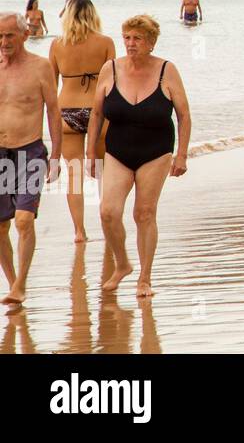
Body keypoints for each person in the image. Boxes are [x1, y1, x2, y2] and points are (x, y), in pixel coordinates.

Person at [86, 15, 191, 298]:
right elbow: (96, 113)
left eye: (137, 39)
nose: (131, 44)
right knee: (108, 211)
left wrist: (181, 155)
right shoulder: (110, 69)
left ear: (151, 43)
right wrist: (89, 150)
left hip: (155, 151)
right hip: (117, 150)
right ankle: (122, 264)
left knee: (143, 213)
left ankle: (145, 279)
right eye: (127, 38)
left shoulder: (167, 71)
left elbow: (183, 114)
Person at [0, 12, 61, 305]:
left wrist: (57, 155)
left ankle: (21, 283)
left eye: (9, 35)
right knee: (1, 226)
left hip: (30, 150)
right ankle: (14, 284)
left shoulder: (41, 67)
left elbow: (53, 110)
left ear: (25, 35)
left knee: (24, 220)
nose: (3, 41)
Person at [47, 0, 115, 242]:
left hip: (67, 112)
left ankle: (79, 231)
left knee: (73, 175)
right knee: (103, 172)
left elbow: (51, 86)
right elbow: (113, 83)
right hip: (100, 112)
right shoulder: (105, 42)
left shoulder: (57, 45)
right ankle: (108, 223)